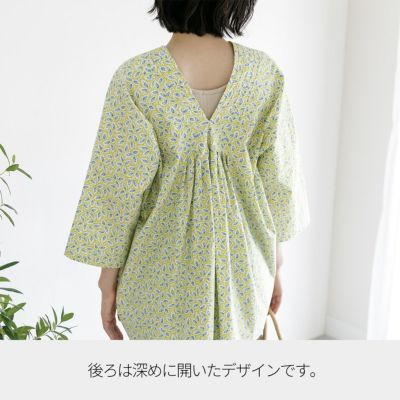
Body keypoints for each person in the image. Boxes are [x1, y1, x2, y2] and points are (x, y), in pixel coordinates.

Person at [64, 0, 310, 340]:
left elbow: (116, 192)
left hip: (156, 282)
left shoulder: (137, 79)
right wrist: (275, 266)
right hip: (245, 273)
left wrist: (108, 279)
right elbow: (279, 185)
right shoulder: (264, 75)